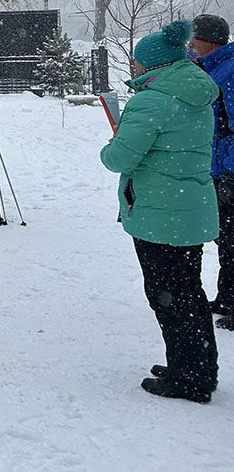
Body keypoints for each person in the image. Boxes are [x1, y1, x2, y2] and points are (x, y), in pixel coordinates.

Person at [100, 20, 220, 403]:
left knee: (168, 295)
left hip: (159, 211)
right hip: (190, 207)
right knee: (189, 292)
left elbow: (119, 158)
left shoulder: (151, 100)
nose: (133, 67)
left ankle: (189, 379)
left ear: (152, 64)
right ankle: (197, 367)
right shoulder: (195, 92)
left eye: (136, 62)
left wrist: (114, 140)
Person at [190, 13, 234, 330]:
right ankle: (227, 297)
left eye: (194, 39)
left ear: (209, 42)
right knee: (225, 239)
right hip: (217, 166)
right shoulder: (208, 67)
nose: (190, 45)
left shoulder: (229, 71)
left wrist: (231, 171)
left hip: (228, 167)